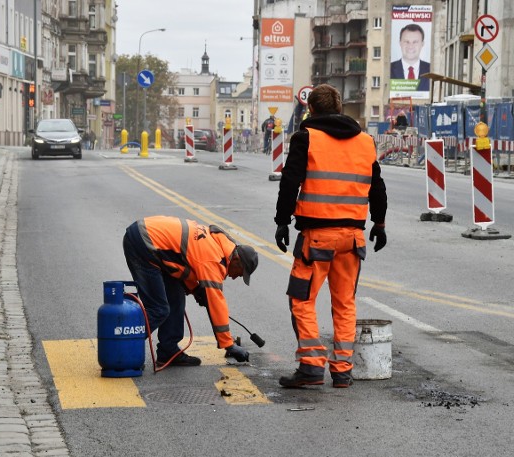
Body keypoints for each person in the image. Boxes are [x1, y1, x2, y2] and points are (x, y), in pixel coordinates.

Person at [273, 84, 388, 389]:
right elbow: (377, 186)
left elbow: (290, 183)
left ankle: (311, 365)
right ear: (339, 109)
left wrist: (282, 222)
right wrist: (379, 223)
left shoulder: (306, 138)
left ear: (310, 109)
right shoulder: (365, 142)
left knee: (301, 298)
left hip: (317, 239)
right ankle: (342, 370)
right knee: (345, 303)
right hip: (352, 239)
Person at [122, 216, 258, 367]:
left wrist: (195, 289)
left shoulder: (221, 245)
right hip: (143, 244)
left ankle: (168, 352)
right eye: (239, 273)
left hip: (152, 242)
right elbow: (216, 302)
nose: (235, 277)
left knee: (176, 296)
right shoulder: (214, 259)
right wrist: (229, 345)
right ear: (237, 261)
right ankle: (121, 350)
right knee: (158, 309)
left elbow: (184, 263)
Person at [390, 23, 431, 90]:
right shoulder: (389, 69)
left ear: (422, 44)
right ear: (400, 43)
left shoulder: (431, 70)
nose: (410, 46)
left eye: (415, 42)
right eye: (406, 42)